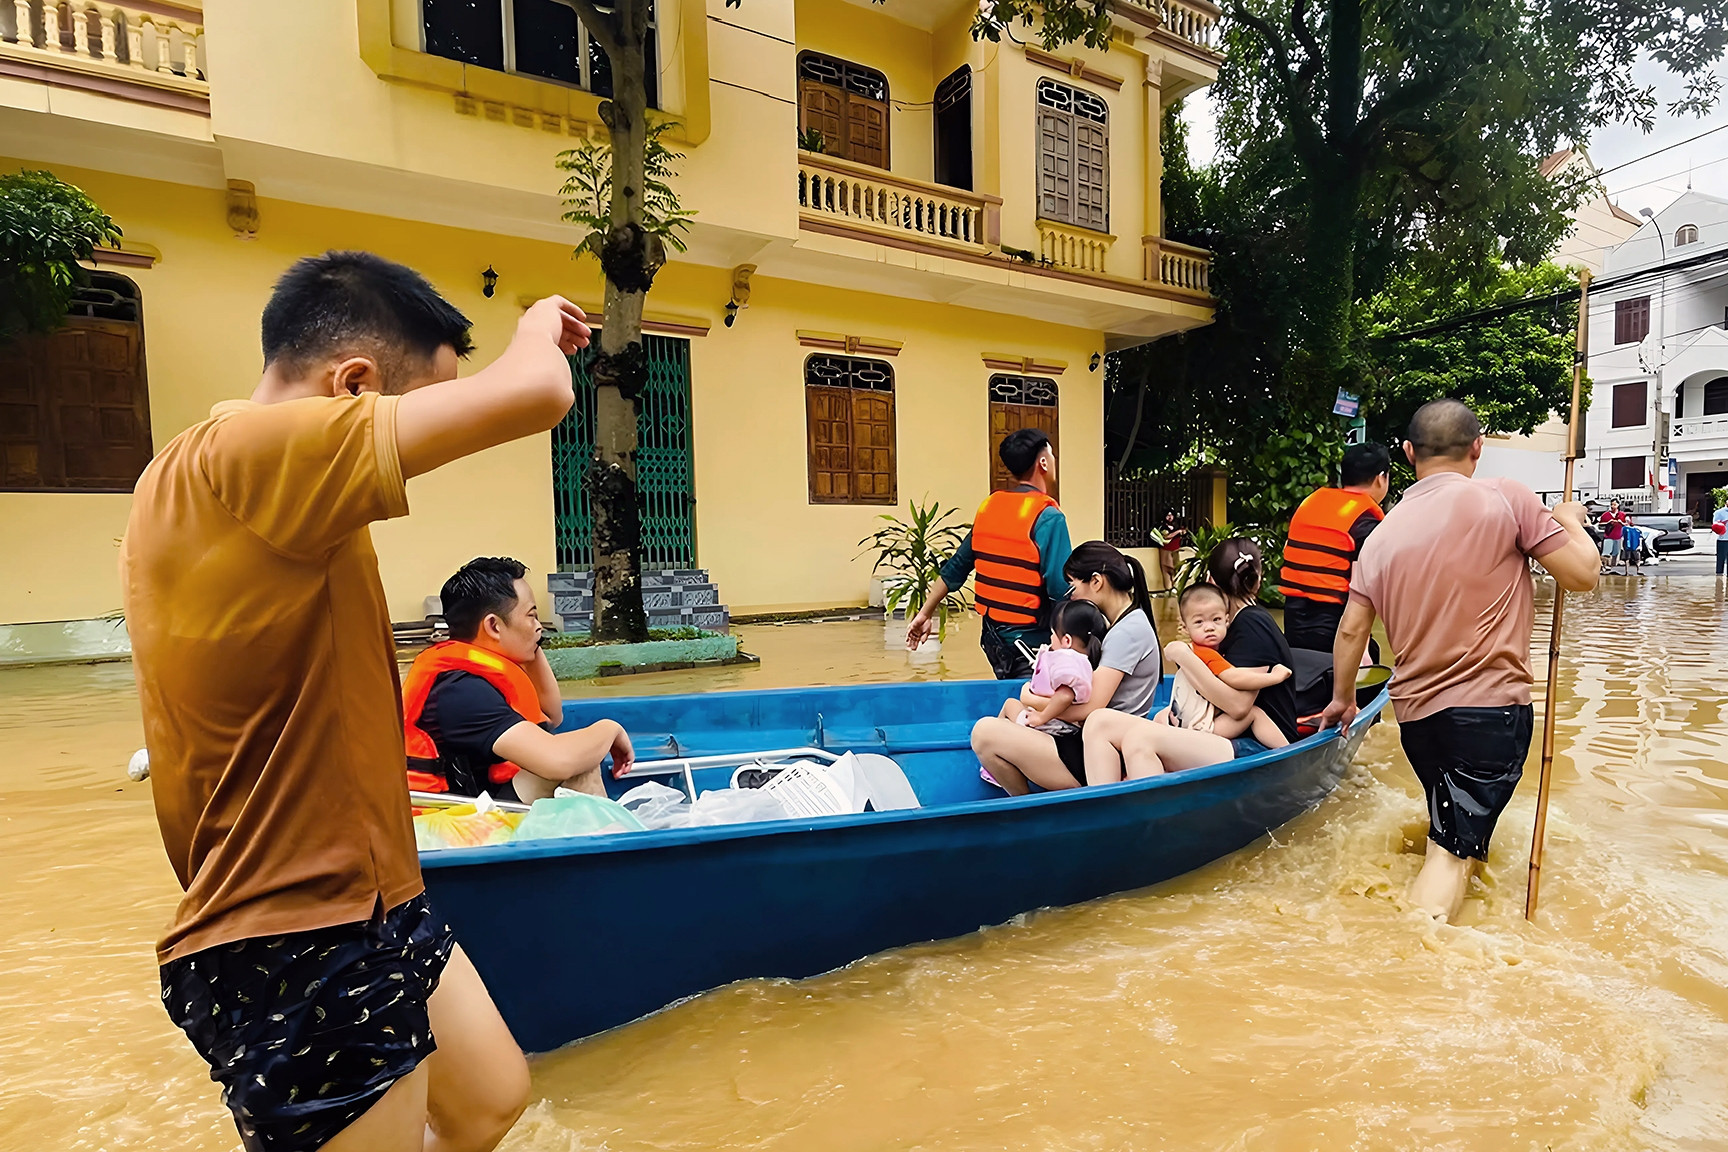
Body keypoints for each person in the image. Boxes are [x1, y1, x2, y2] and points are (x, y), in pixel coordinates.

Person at [122, 251, 593, 1152]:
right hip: (295, 926)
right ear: (353, 386)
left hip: (375, 897)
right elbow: (539, 394)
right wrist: (535, 326)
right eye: (407, 412)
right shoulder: (250, 454)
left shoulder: (209, 478)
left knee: (491, 1094)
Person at [1320, 399, 1600, 923]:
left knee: (1455, 839)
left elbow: (1352, 629)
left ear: (1407, 454)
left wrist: (1341, 700)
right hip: (1488, 713)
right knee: (1451, 854)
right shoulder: (1505, 498)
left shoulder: (1380, 537)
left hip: (1416, 719)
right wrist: (1569, 521)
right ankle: (1413, 961)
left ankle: (1453, 920)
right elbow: (1583, 575)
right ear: (1478, 448)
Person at [404, 557, 634, 803]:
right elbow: (558, 761)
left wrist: (529, 644)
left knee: (579, 752)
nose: (539, 627)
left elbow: (551, 715)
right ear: (493, 626)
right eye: (532, 615)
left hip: (484, 805)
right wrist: (611, 728)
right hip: (457, 826)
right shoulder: (462, 692)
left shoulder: (477, 669)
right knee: (578, 760)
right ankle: (610, 837)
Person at [1084, 538, 1302, 781]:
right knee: (1098, 721)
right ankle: (1105, 806)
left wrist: (1184, 656)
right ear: (1258, 580)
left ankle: (1152, 818)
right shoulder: (1224, 630)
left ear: (1210, 581)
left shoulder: (1251, 624)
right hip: (1223, 735)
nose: (1208, 626)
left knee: (1140, 739)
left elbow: (1239, 706)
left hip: (1257, 747)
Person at [970, 541, 1162, 793]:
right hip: (1086, 740)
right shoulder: (1121, 623)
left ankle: (1026, 807)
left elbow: (1091, 708)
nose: (1071, 595)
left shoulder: (1127, 632)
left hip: (1097, 755)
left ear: (1096, 582)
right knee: (1013, 708)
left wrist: (1033, 697)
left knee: (984, 732)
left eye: (1073, 586)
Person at [907, 428, 1071, 678]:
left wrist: (924, 613)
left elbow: (956, 567)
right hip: (1030, 642)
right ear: (1044, 463)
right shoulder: (1049, 517)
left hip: (993, 640)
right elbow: (1061, 591)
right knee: (1040, 710)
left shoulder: (990, 508)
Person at [1278, 442, 1390, 654]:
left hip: (1292, 622)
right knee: (1372, 654)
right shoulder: (1365, 523)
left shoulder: (1310, 503)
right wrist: (1363, 649)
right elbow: (1362, 591)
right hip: (1333, 625)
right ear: (1380, 477)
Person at [1155, 582, 1291, 750]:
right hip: (1200, 729)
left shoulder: (1202, 651)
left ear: (1227, 620)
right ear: (1184, 628)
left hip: (1184, 720)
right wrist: (1273, 677)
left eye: (1216, 619)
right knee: (1254, 714)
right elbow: (1234, 677)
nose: (1209, 627)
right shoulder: (1206, 654)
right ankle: (1289, 752)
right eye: (1199, 622)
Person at [999, 599, 1110, 734]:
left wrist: (1041, 717)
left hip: (1051, 725)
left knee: (1009, 705)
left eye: (1053, 634)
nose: (1051, 638)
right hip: (1057, 723)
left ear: (1067, 640)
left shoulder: (1067, 661)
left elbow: (1065, 696)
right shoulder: (1084, 662)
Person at [1598, 498, 1630, 574]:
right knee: (1606, 553)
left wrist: (1621, 523)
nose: (1613, 506)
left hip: (1618, 536)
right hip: (1608, 536)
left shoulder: (1622, 515)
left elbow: (1628, 524)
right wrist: (1608, 522)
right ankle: (1603, 567)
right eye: (1612, 504)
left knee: (1615, 553)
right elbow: (1600, 524)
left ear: (1618, 505)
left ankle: (1612, 567)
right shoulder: (1606, 515)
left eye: (1614, 504)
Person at [1157, 509, 1186, 588]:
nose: (1170, 517)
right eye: (1168, 515)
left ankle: (1175, 588)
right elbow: (1166, 536)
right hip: (1165, 550)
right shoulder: (1162, 526)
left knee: (1175, 569)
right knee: (1166, 570)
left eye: (1171, 515)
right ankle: (1168, 589)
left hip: (1175, 550)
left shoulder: (1177, 525)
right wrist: (1178, 531)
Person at [1713, 501, 1728, 575]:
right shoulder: (1719, 512)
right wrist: (1721, 524)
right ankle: (1719, 579)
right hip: (1723, 540)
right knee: (1720, 561)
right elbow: (1715, 525)